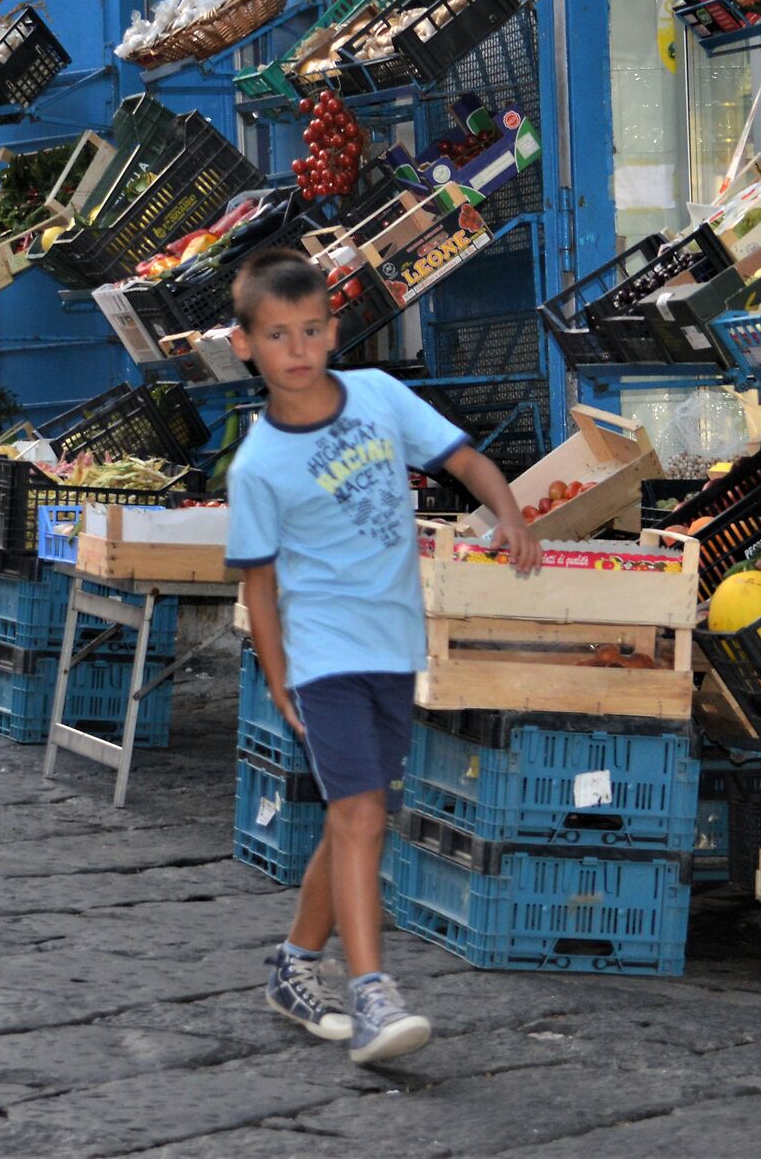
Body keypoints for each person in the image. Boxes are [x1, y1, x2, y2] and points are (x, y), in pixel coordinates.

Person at [221, 246, 539, 1066]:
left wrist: (507, 512)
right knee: (361, 815)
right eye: (280, 334)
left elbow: (462, 459)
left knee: (359, 814)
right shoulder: (256, 467)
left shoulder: (380, 396)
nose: (299, 349)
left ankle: (293, 964)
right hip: (320, 658)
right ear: (245, 345)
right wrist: (278, 672)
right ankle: (371, 994)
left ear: (335, 330)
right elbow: (258, 588)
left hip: (393, 647)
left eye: (314, 330)